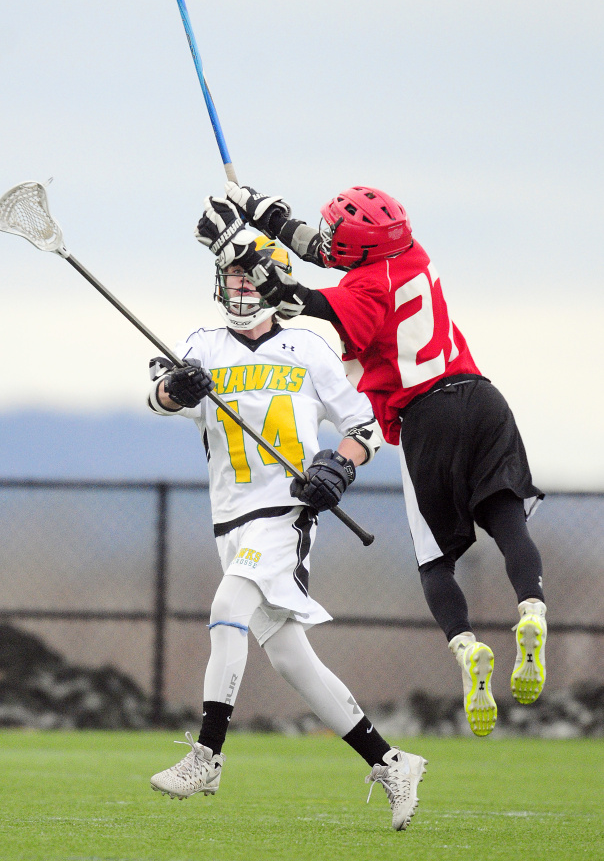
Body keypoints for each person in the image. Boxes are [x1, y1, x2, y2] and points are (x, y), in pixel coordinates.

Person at [195, 184, 548, 738]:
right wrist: (261, 211)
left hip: (425, 417)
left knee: (436, 563)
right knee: (507, 519)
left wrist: (238, 242)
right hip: (483, 398)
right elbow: (320, 253)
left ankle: (466, 646)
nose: (328, 239)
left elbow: (295, 298)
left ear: (359, 248)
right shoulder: (408, 253)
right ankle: (532, 608)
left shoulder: (361, 297)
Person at [146, 235, 426, 831]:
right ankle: (392, 761)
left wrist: (339, 466)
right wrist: (181, 388)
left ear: (273, 283)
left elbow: (364, 424)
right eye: (233, 278)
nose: (241, 289)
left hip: (284, 510)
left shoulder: (307, 346)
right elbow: (158, 395)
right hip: (231, 515)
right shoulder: (201, 346)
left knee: (227, 608)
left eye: (251, 278)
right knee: (291, 659)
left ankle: (208, 754)